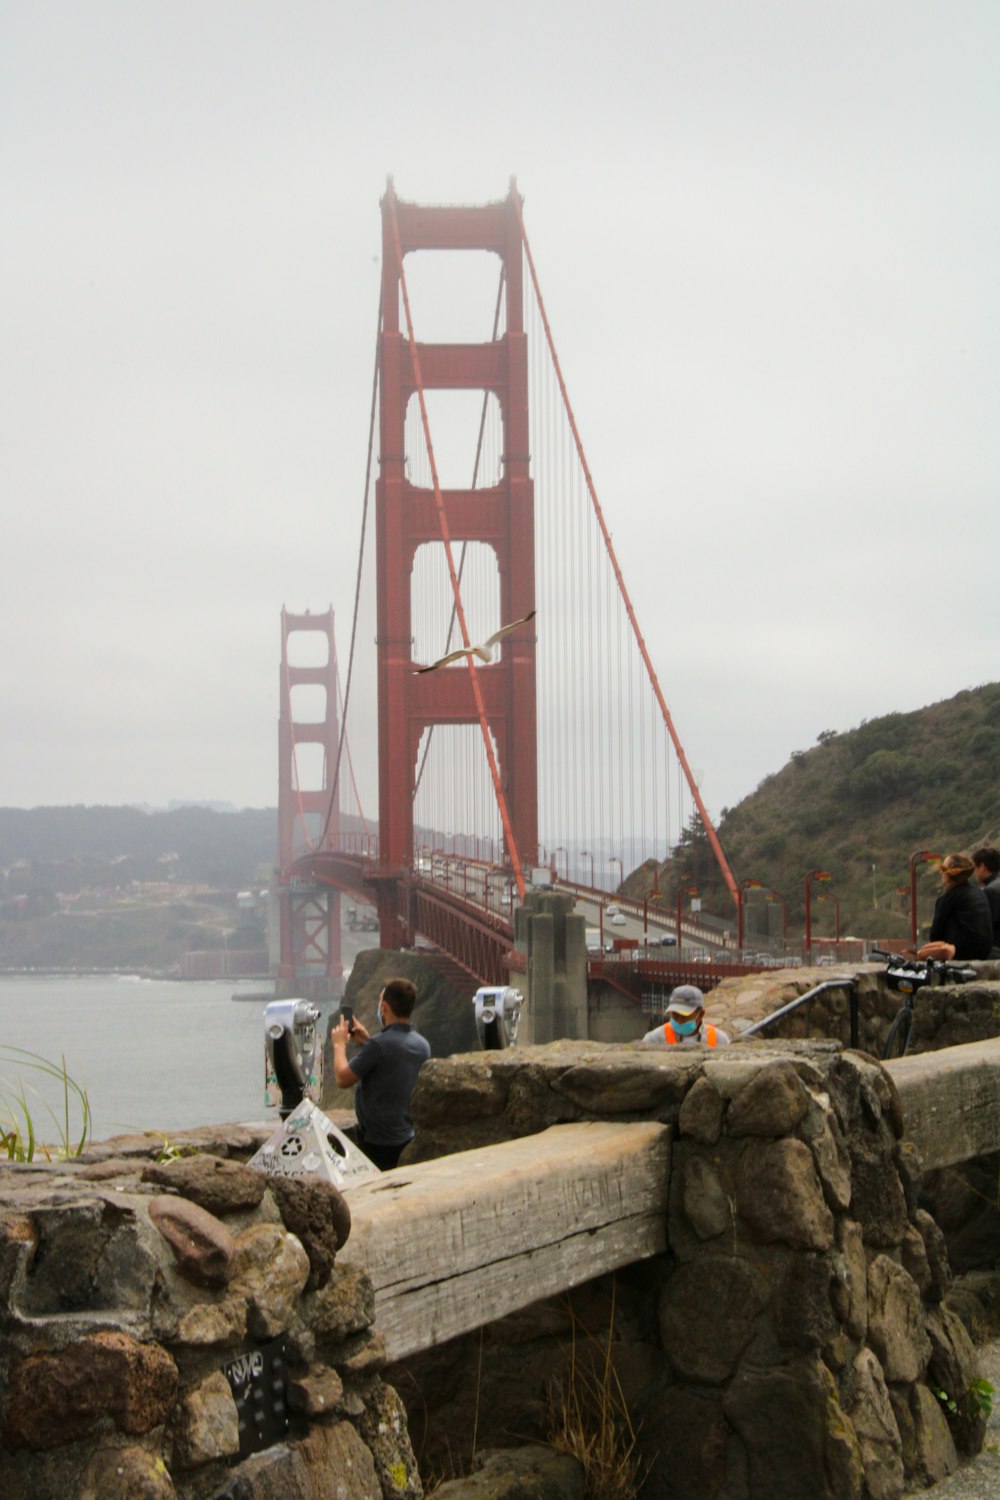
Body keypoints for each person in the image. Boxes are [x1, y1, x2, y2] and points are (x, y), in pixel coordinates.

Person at [330, 977, 431, 1170]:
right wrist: (366, 1042)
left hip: (377, 1146)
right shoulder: (422, 1045)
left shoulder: (378, 1046)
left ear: (384, 1007)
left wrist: (339, 1044)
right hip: (407, 1138)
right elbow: (392, 1060)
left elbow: (342, 1078)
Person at [917, 853, 993, 962]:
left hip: (963, 952)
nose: (940, 872)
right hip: (985, 950)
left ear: (949, 873)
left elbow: (935, 934)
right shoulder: (977, 891)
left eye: (943, 869)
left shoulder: (950, 896)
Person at [641, 984, 731, 1047]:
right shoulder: (654, 1038)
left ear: (700, 1014)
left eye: (684, 1016)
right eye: (675, 1015)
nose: (679, 1021)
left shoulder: (720, 1039)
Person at [972, 846, 1000, 956]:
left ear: (982, 867)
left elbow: (988, 926)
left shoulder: (991, 890)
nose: (974, 873)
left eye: (975, 868)